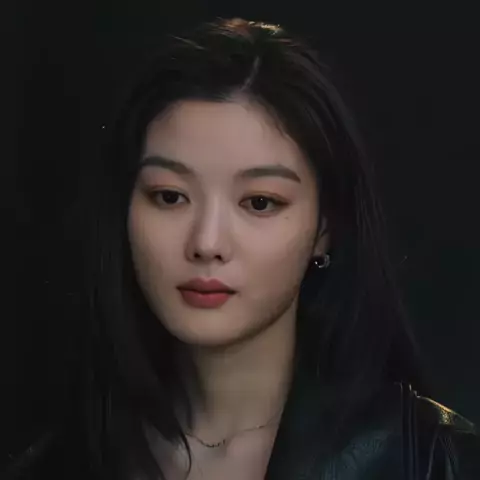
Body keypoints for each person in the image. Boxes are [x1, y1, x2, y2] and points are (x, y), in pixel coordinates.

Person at [6, 17, 480, 480]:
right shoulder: (58, 463)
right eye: (170, 196)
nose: (207, 243)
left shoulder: (427, 459)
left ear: (324, 228)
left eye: (259, 202)